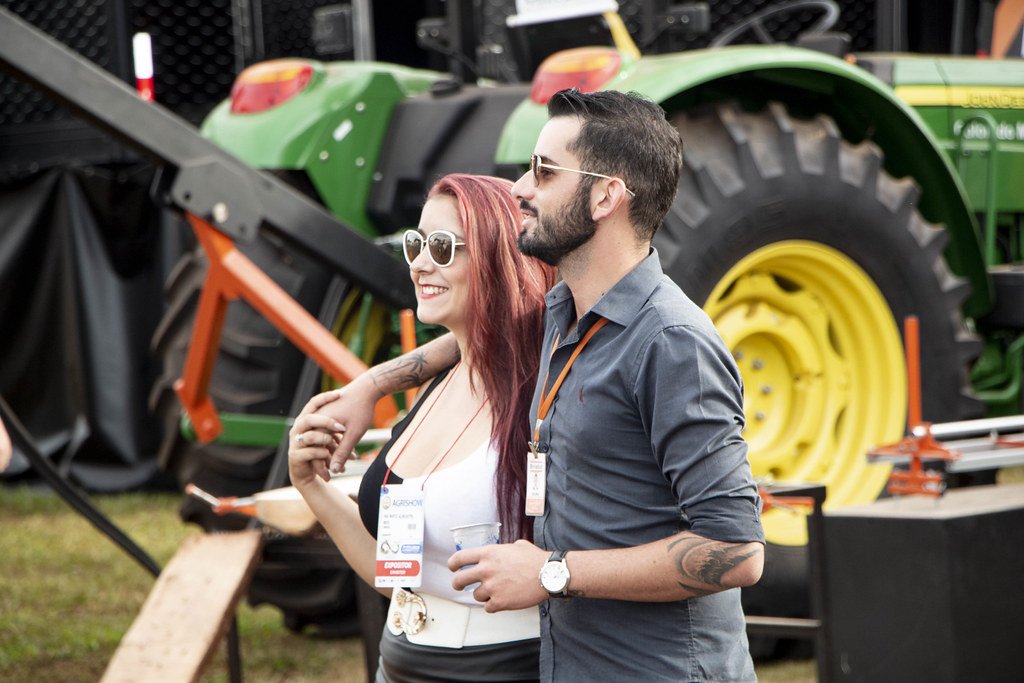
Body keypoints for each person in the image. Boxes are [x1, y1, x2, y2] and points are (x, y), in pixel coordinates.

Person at [320, 88, 765, 682]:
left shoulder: (671, 342)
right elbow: (480, 331)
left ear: (607, 195)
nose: (522, 189)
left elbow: (737, 552)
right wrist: (373, 384)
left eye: (544, 171)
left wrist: (552, 572)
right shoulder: (567, 312)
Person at [288, 173, 557, 682]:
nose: (419, 263)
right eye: (415, 243)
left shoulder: (544, 392)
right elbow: (397, 577)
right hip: (402, 660)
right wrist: (313, 487)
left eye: (442, 246)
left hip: (504, 667)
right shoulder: (437, 386)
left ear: (500, 256)